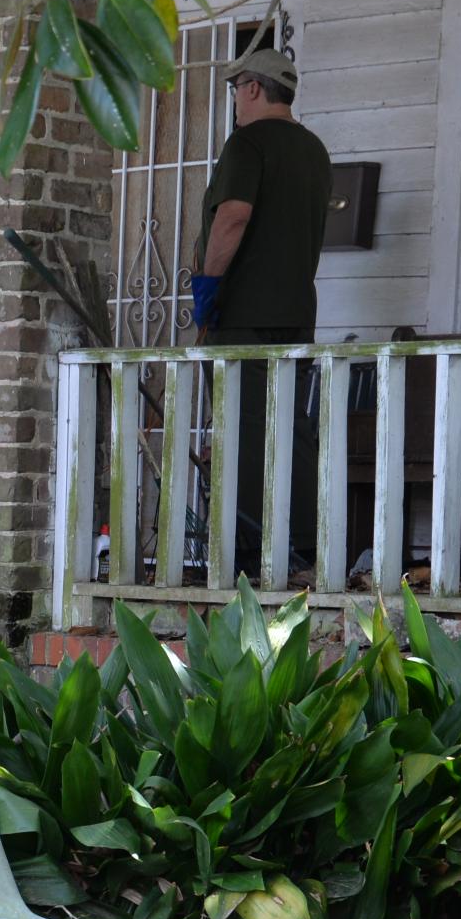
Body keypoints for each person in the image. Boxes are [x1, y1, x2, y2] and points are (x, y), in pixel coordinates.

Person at [191, 50, 331, 584]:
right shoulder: (314, 150)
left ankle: (247, 559)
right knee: (290, 428)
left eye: (236, 89)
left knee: (243, 434)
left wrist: (207, 288)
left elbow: (232, 217)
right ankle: (305, 548)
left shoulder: (247, 143)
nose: (234, 100)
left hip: (243, 318)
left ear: (252, 88)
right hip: (295, 316)